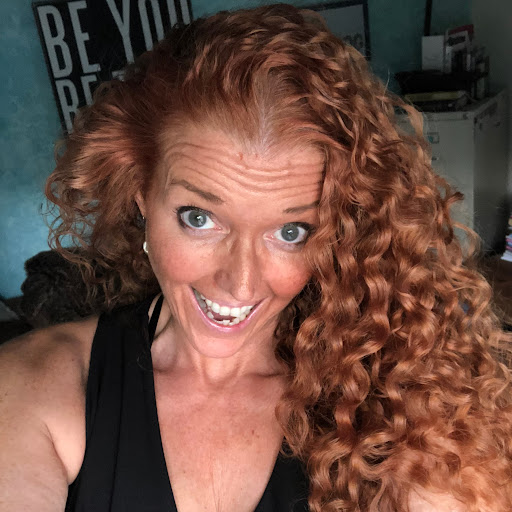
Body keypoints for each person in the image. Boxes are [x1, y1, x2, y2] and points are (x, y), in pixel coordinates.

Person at [1, 4, 511, 511]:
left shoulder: (396, 397)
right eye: (199, 218)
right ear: (142, 197)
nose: (241, 283)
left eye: (291, 232)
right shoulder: (37, 385)